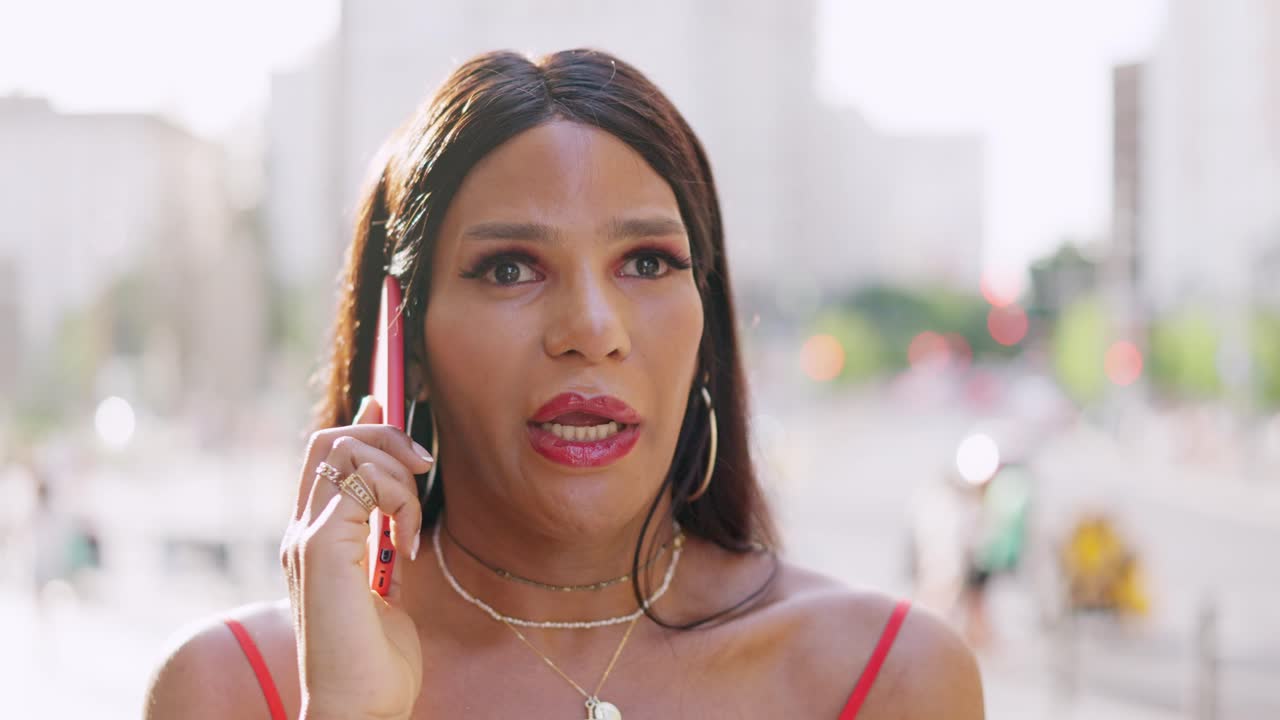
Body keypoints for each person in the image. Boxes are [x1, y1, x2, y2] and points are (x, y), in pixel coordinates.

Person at [143, 48, 983, 719]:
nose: (591, 329)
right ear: (407, 349)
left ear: (707, 323)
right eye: (510, 268)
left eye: (647, 262)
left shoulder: (892, 678)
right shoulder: (228, 691)